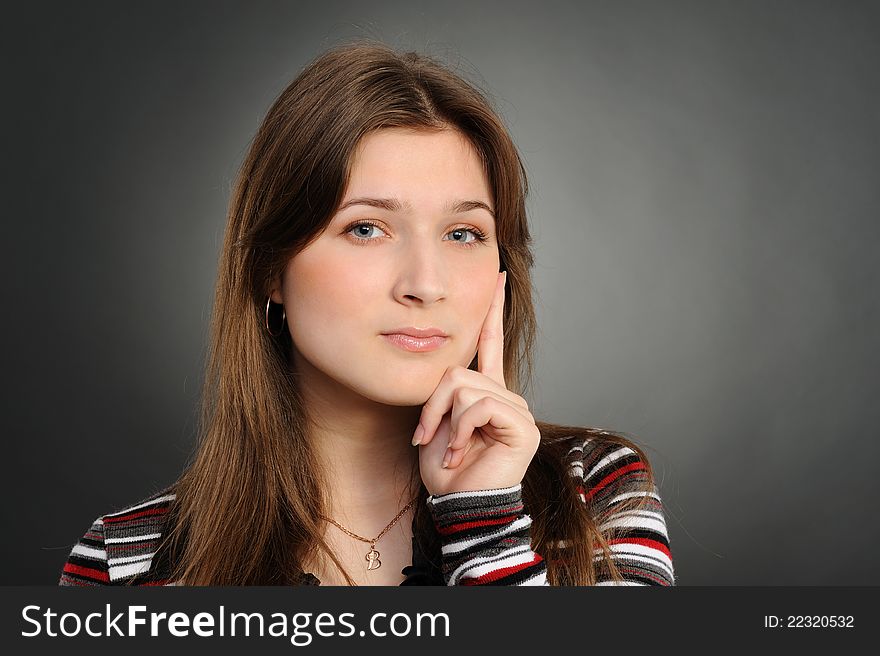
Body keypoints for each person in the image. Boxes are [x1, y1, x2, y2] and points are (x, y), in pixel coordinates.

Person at [59, 41, 675, 587]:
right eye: (366, 228)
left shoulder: (595, 493)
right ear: (272, 268)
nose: (425, 285)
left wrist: (485, 518)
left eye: (463, 234)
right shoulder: (126, 564)